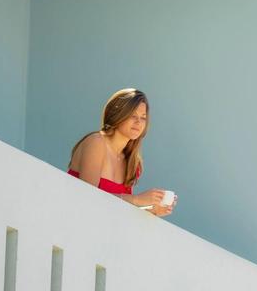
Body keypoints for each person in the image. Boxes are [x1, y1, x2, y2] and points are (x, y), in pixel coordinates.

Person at [68, 88, 176, 217]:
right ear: (118, 114)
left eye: (143, 118)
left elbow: (116, 209)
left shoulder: (132, 162)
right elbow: (88, 197)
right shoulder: (96, 142)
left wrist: (150, 209)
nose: (138, 122)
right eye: (133, 115)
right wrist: (137, 200)